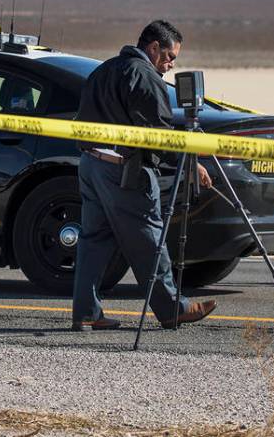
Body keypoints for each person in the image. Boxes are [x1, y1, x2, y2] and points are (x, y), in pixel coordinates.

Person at [71, 20, 217, 331]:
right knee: (149, 237)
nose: (172, 64)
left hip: (91, 165)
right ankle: (173, 308)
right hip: (124, 170)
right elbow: (159, 134)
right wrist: (190, 162)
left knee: (93, 241)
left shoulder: (104, 70)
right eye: (169, 56)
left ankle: (85, 312)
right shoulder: (144, 76)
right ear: (153, 48)